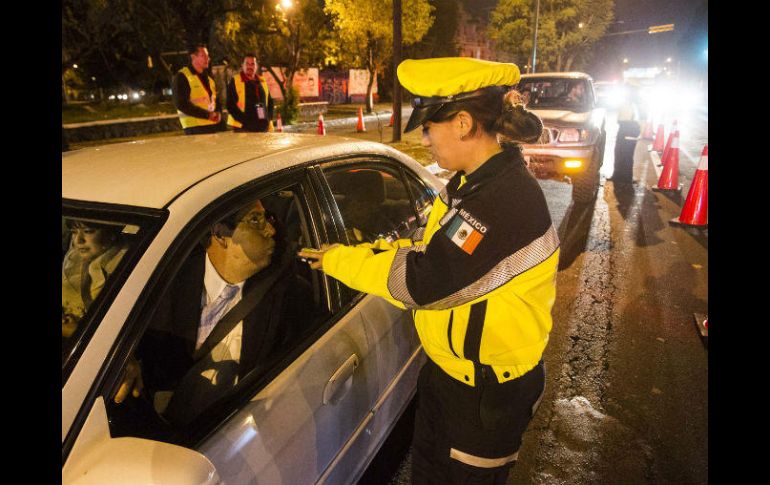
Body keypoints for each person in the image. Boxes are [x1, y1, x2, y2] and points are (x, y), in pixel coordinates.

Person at [299, 57, 560, 485]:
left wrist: (337, 262)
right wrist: (366, 250)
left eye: (428, 127)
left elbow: (422, 282)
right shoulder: (472, 184)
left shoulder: (502, 201)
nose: (424, 139)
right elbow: (428, 247)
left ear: (462, 123)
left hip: (484, 397)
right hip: (451, 375)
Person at [111, 199, 315, 433]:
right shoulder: (160, 282)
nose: (271, 230)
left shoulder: (291, 296)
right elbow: (124, 338)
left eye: (267, 218)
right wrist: (125, 358)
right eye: (255, 220)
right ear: (220, 234)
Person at [62, 220, 128, 338]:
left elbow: (117, 334)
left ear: (110, 234)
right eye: (74, 232)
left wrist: (75, 333)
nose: (78, 240)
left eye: (88, 231)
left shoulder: (126, 267)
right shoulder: (74, 259)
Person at [173, 44, 222, 135]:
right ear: (193, 57)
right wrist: (207, 115)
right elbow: (181, 104)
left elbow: (215, 100)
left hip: (211, 125)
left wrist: (218, 112)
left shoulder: (209, 79)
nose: (208, 59)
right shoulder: (182, 76)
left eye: (208, 56)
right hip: (194, 127)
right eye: (203, 56)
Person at [226, 54, 275, 132]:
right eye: (247, 64)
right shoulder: (235, 81)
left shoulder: (262, 81)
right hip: (243, 128)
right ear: (242, 65)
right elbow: (230, 105)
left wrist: (268, 119)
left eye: (252, 64)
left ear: (256, 66)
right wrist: (246, 123)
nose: (250, 66)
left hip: (262, 127)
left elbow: (269, 102)